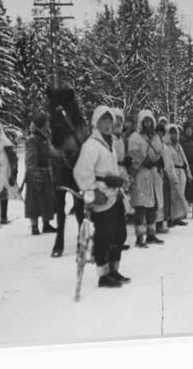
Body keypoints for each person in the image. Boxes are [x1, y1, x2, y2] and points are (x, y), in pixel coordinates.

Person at [73, 106, 129, 288]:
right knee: (104, 236)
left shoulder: (110, 143)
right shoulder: (91, 145)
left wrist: (119, 179)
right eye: (103, 121)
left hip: (115, 194)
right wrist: (93, 192)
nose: (107, 125)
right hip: (101, 196)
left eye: (109, 121)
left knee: (119, 234)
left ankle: (114, 270)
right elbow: (81, 172)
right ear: (96, 123)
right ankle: (103, 275)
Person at [128, 110, 165, 247]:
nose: (147, 123)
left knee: (152, 206)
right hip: (141, 174)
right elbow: (133, 153)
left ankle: (151, 234)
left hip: (153, 174)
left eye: (149, 121)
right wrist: (144, 160)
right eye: (145, 121)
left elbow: (160, 150)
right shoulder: (135, 137)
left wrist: (158, 160)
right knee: (140, 207)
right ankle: (139, 237)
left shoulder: (155, 137)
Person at [24, 113, 57, 235]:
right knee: (34, 201)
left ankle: (46, 224)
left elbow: (49, 154)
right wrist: (35, 174)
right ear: (41, 124)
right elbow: (30, 160)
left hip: (46, 172)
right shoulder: (32, 139)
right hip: (36, 173)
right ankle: (34, 227)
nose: (48, 125)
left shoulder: (45, 138)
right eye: (46, 123)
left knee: (47, 199)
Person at [163, 124, 191, 227]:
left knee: (180, 194)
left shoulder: (179, 146)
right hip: (172, 171)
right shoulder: (166, 147)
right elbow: (168, 162)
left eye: (175, 133)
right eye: (171, 133)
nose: (174, 135)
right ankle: (171, 217)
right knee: (173, 196)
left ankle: (178, 216)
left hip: (181, 171)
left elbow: (185, 160)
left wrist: (188, 172)